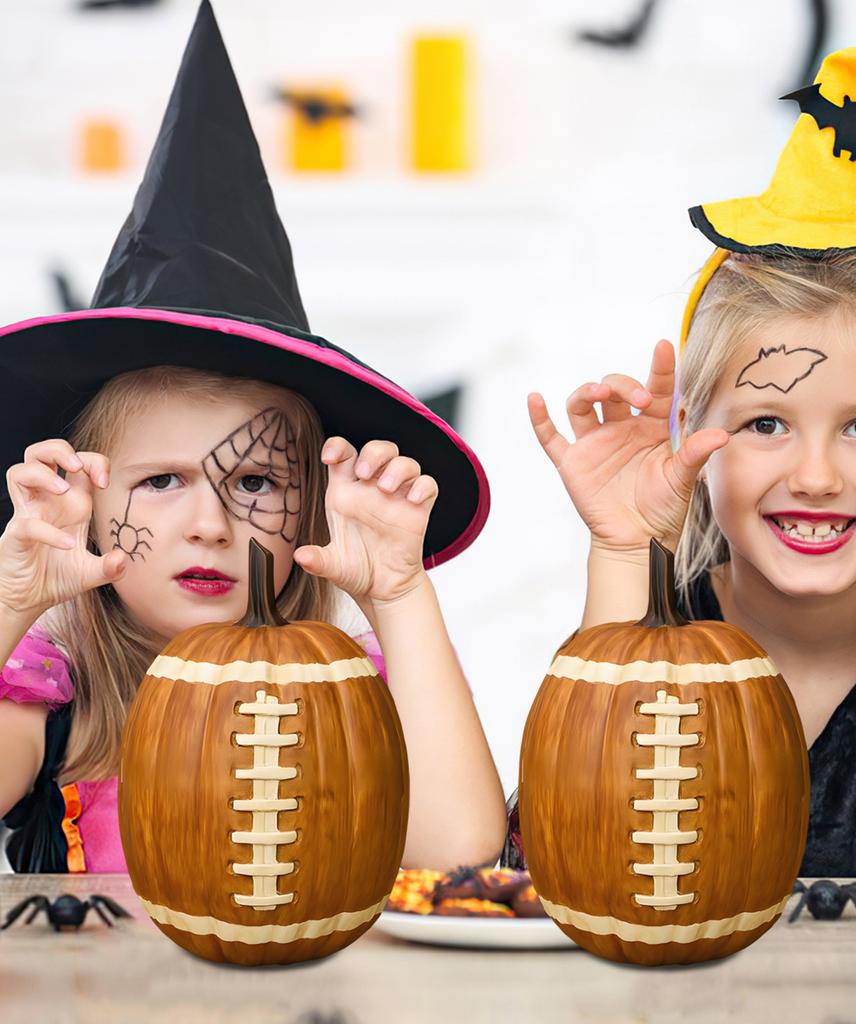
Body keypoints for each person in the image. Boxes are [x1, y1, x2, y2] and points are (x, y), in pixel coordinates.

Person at [0, 3, 505, 875]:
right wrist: (10, 604)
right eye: (162, 481)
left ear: (312, 510)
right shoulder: (55, 681)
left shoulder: (353, 684)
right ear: (89, 506)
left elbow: (458, 850)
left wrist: (399, 594)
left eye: (257, 484)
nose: (211, 526)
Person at [503, 47, 856, 878]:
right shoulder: (642, 637)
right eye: (767, 423)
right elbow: (552, 869)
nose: (815, 476)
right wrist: (622, 553)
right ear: (690, 434)